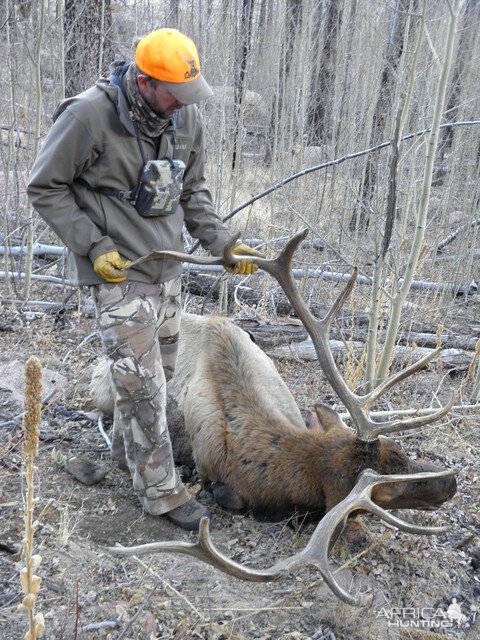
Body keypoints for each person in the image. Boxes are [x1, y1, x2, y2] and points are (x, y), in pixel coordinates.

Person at [28, 28, 260, 530]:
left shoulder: (186, 116)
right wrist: (92, 245)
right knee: (144, 389)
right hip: (119, 275)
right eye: (174, 94)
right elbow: (44, 186)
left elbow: (193, 192)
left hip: (168, 270)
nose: (182, 105)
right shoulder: (89, 116)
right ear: (144, 80)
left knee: (162, 374)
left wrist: (222, 243)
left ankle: (127, 452)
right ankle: (161, 495)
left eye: (188, 96)